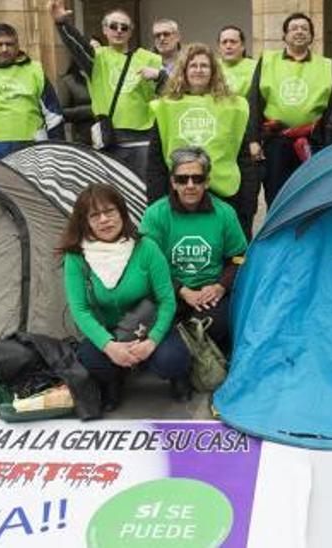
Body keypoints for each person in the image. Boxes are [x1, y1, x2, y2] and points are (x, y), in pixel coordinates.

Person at [60, 184, 192, 412]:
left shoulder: (146, 247)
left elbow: (167, 300)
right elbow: (80, 309)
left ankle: (178, 377)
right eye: (95, 215)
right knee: (89, 359)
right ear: (85, 222)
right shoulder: (76, 257)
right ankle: (113, 379)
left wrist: (152, 341)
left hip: (148, 326)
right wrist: (109, 346)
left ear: (122, 212)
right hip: (109, 331)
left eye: (110, 211)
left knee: (172, 359)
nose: (104, 220)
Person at [140, 147, 248, 352]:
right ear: (173, 182)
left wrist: (221, 286)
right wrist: (182, 290)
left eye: (197, 179)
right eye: (182, 179)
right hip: (168, 295)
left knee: (219, 326)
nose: (190, 185)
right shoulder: (155, 214)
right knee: (168, 357)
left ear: (207, 182)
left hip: (210, 297)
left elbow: (240, 258)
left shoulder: (225, 213)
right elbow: (144, 265)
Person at [147, 44, 257, 237]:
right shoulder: (166, 107)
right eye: (193, 65)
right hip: (180, 191)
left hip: (223, 194)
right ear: (184, 70)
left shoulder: (234, 107)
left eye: (204, 66)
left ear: (214, 71)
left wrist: (248, 203)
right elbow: (155, 160)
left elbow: (243, 157)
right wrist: (156, 201)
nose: (198, 70)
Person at [51, 1, 164, 176]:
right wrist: (62, 24)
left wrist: (159, 76)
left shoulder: (150, 58)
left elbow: (173, 90)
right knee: (113, 193)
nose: (118, 30)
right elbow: (78, 47)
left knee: (143, 190)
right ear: (105, 30)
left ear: (130, 32)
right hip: (110, 138)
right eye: (113, 26)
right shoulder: (97, 58)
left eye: (124, 27)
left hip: (142, 138)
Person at [248, 12, 332, 206]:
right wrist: (253, 140)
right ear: (284, 35)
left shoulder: (326, 65)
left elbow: (331, 109)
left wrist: (328, 144)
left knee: (310, 194)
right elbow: (254, 101)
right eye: (294, 28)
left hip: (312, 142)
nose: (299, 32)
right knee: (276, 194)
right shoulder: (268, 60)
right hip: (276, 141)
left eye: (305, 28)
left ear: (312, 36)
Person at [0, 23, 64, 159]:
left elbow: (53, 115)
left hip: (34, 148)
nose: (4, 49)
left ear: (18, 45)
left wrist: (57, 151)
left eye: (9, 44)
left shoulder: (35, 71)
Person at [60, 61, 94, 146]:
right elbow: (63, 112)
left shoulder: (102, 76)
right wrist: (91, 110)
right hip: (84, 135)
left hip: (107, 131)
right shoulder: (68, 81)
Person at [217, 25, 256, 98]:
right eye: (224, 42)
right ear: (219, 48)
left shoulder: (255, 67)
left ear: (242, 46)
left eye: (233, 42)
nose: (228, 46)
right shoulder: (212, 66)